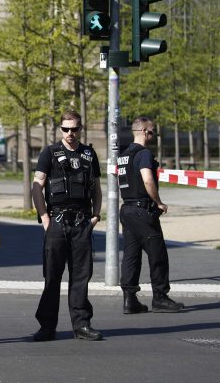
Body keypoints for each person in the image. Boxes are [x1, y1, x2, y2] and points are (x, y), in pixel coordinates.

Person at [31, 111, 103, 341]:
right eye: (66, 129)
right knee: (52, 277)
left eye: (75, 129)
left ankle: (81, 325)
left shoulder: (89, 154)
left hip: (82, 222)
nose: (70, 134)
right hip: (57, 221)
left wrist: (96, 216)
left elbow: (96, 188)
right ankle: (47, 326)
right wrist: (44, 218)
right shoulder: (49, 153)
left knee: (81, 276)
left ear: (81, 129)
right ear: (60, 129)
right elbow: (37, 186)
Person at [117, 116, 184, 313]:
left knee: (131, 254)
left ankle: (130, 300)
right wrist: (159, 202)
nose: (153, 135)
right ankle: (160, 297)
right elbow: (147, 180)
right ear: (145, 131)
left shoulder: (123, 155)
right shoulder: (144, 153)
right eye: (153, 131)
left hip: (127, 210)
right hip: (142, 210)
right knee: (158, 254)